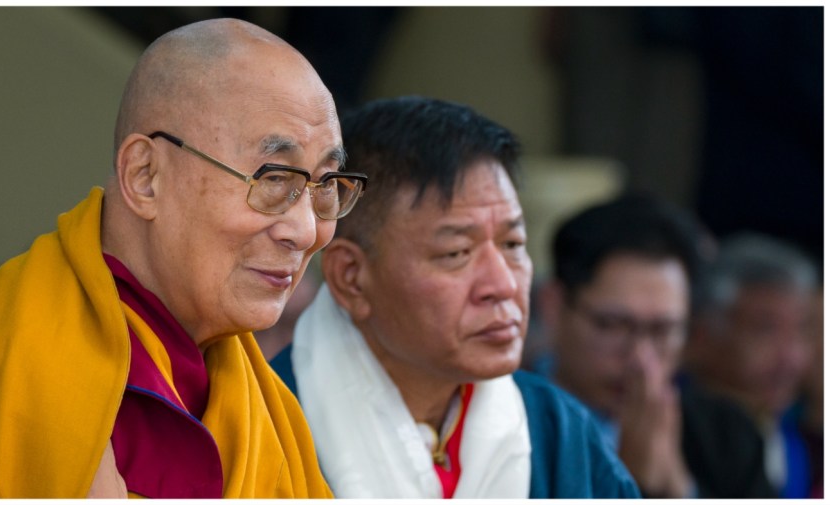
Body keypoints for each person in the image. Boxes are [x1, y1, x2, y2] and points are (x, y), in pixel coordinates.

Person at [0, 18, 368, 498]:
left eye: (325, 186)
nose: (307, 231)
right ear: (145, 177)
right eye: (272, 179)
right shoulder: (30, 362)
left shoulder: (269, 410)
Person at [271, 96, 640, 498]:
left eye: (513, 243)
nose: (503, 285)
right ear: (351, 278)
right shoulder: (263, 426)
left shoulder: (557, 433)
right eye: (456, 254)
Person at [535, 194, 774, 498]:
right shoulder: (508, 424)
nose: (640, 358)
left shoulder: (727, 437)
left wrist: (677, 491)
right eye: (612, 325)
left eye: (663, 331)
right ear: (553, 306)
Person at [684, 232, 819, 498]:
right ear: (702, 335)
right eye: (766, 329)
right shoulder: (667, 427)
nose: (790, 356)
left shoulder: (799, 438)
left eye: (801, 329)